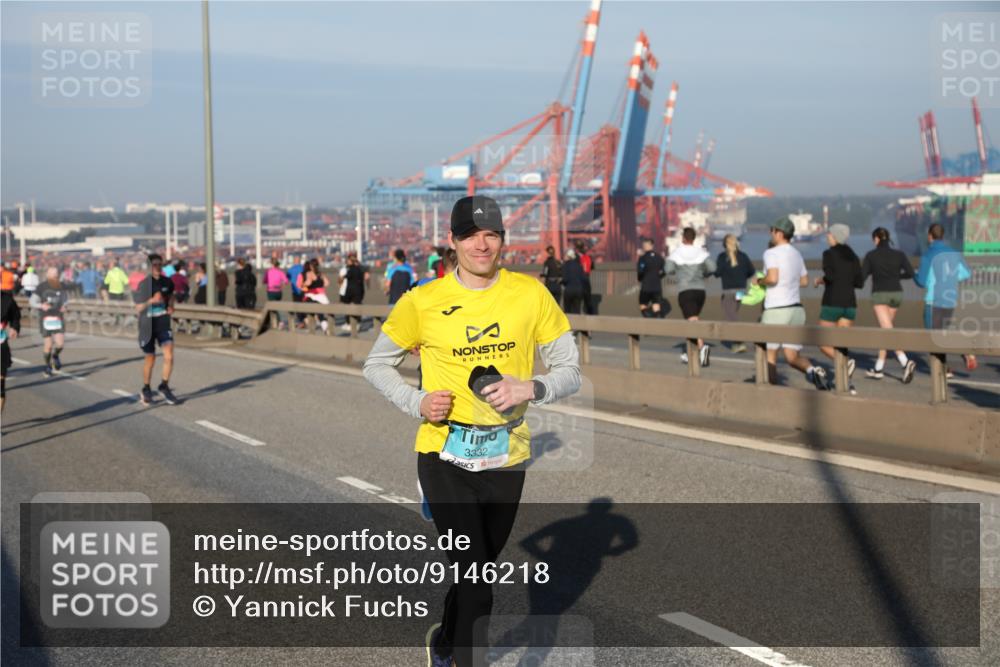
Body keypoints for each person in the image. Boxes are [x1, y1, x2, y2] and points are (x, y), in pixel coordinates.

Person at [362, 195, 580, 667]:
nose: (482, 245)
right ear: (453, 242)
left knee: (476, 573)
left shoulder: (530, 294)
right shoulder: (423, 300)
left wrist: (533, 386)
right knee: (480, 583)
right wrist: (415, 400)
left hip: (507, 453)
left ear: (502, 238)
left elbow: (571, 370)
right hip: (443, 454)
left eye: (492, 234)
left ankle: (444, 643)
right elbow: (376, 364)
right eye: (471, 235)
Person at [758, 217, 829, 389]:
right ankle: (812, 371)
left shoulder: (771, 253)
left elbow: (773, 278)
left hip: (776, 310)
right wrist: (788, 282)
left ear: (780, 234)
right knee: (792, 357)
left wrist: (759, 281)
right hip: (796, 310)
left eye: (772, 230)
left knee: (770, 354)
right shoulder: (796, 253)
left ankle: (773, 393)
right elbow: (804, 281)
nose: (770, 233)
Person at [914, 222, 977, 378]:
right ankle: (963, 352)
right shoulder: (954, 253)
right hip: (949, 301)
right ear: (943, 236)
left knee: (933, 337)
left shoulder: (929, 255)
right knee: (944, 333)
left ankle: (944, 369)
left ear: (930, 236)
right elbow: (966, 273)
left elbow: (922, 281)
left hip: (933, 302)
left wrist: (914, 275)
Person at [861, 227, 916, 382]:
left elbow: (862, 277)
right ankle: (879, 368)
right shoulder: (899, 254)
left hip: (880, 294)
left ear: (876, 239)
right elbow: (911, 273)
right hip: (896, 293)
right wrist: (898, 276)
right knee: (886, 330)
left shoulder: (871, 256)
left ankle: (905, 361)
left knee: (887, 330)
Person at [813, 223, 864, 391]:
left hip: (832, 302)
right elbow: (859, 282)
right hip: (849, 304)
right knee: (841, 345)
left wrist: (820, 280)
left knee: (822, 341)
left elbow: (830, 276)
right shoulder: (853, 256)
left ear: (835, 236)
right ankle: (847, 384)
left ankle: (847, 364)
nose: (827, 237)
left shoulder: (828, 254)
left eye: (829, 234)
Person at [666, 227, 716, 366]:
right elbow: (712, 268)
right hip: (700, 291)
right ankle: (689, 353)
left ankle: (702, 348)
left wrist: (679, 271)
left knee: (692, 321)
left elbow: (668, 270)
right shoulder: (701, 252)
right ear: (693, 238)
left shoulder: (677, 252)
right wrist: (703, 274)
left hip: (685, 290)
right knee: (692, 320)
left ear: (683, 238)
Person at [133, 253, 178, 405]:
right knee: (150, 358)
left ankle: (164, 386)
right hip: (147, 326)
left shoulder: (167, 281)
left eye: (160, 264)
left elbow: (171, 295)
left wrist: (171, 306)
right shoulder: (144, 285)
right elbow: (138, 308)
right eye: (155, 265)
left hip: (163, 323)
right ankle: (146, 388)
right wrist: (151, 301)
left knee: (169, 355)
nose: (158, 267)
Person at [714, 234, 756, 352]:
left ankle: (739, 341)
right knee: (733, 314)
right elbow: (751, 272)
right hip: (741, 292)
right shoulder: (743, 256)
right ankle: (736, 343)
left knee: (730, 316)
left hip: (728, 292)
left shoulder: (722, 257)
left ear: (724, 245)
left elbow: (717, 273)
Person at [30, 267, 70, 377]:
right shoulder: (41, 287)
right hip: (46, 319)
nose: (55, 277)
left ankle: (55, 356)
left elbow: (66, 299)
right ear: (47, 275)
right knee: (48, 345)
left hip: (58, 318)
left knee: (60, 344)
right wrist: (41, 305)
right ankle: (47, 366)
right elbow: (32, 301)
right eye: (52, 275)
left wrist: (65, 306)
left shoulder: (62, 286)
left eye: (56, 275)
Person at [1, 287, 22, 412]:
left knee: (0, 387)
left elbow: (15, 315)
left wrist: (15, 327)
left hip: (0, 346)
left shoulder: (7, 299)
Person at [637, 237, 667, 318]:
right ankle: (657, 323)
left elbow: (640, 271)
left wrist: (640, 279)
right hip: (657, 286)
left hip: (646, 286)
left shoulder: (642, 258)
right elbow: (664, 271)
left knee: (643, 304)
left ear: (645, 246)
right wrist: (659, 277)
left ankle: (648, 321)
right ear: (652, 245)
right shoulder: (659, 258)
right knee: (656, 305)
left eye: (644, 245)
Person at [299, 258, 331, 333]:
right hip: (322, 296)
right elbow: (327, 283)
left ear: (311, 266)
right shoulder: (321, 274)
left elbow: (309, 283)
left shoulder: (309, 273)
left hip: (312, 295)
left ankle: (313, 328)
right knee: (320, 312)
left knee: (311, 311)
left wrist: (302, 284)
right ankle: (324, 326)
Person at [339, 252, 369, 330]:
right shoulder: (361, 268)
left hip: (350, 291)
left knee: (349, 306)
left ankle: (350, 323)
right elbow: (366, 277)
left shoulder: (349, 269)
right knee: (356, 306)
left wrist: (342, 278)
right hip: (359, 290)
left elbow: (342, 279)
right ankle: (356, 323)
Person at [265, 258, 290, 329]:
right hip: (279, 292)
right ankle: (275, 322)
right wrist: (280, 284)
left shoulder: (268, 272)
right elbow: (286, 281)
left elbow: (264, 281)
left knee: (273, 307)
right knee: (276, 307)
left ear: (271, 264)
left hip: (271, 291)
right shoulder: (280, 272)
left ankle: (280, 322)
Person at [561, 248, 586, 314]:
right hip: (579, 290)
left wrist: (561, 282)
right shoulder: (579, 266)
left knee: (567, 311)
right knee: (577, 310)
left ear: (569, 256)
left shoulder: (565, 265)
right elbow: (583, 278)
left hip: (569, 290)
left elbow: (565, 279)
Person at [575, 241, 595, 314]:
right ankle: (591, 315)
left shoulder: (575, 258)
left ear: (576, 248)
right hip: (586, 279)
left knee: (577, 301)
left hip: (578, 280)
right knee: (588, 299)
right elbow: (592, 267)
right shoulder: (588, 257)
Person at [287, 254, 307, 328]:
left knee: (297, 306)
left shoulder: (290, 269)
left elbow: (287, 279)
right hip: (303, 290)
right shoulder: (303, 268)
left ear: (294, 261)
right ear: (299, 261)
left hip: (295, 290)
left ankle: (301, 322)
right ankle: (305, 320)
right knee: (304, 305)